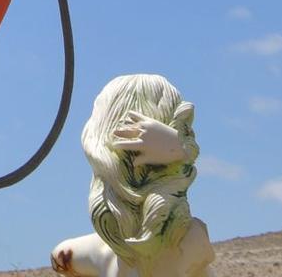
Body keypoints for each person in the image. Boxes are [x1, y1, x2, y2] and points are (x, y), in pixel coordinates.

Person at [51, 73, 215, 277]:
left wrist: (181, 149)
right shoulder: (104, 251)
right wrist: (180, 149)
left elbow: (60, 256)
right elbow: (60, 256)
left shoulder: (188, 244)